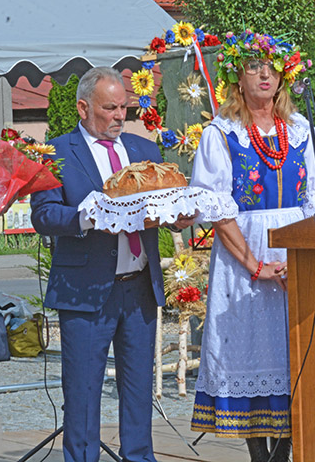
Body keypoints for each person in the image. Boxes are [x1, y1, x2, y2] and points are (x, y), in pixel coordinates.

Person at [30, 67, 193, 462]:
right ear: (84, 107)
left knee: (139, 390)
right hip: (85, 290)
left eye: (125, 107)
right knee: (83, 394)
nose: (120, 116)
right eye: (110, 108)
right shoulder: (57, 151)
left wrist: (179, 215)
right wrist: (85, 217)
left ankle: (139, 457)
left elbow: (163, 207)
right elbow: (44, 215)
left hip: (138, 285)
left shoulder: (145, 151)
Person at [188, 31, 315, 462]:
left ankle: (285, 452)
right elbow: (215, 208)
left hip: (296, 257)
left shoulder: (303, 131)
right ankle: (258, 455)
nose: (264, 74)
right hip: (244, 259)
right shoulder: (222, 133)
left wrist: (300, 262)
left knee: (295, 355)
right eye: (254, 66)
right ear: (238, 77)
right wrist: (254, 265)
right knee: (250, 351)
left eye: (271, 66)